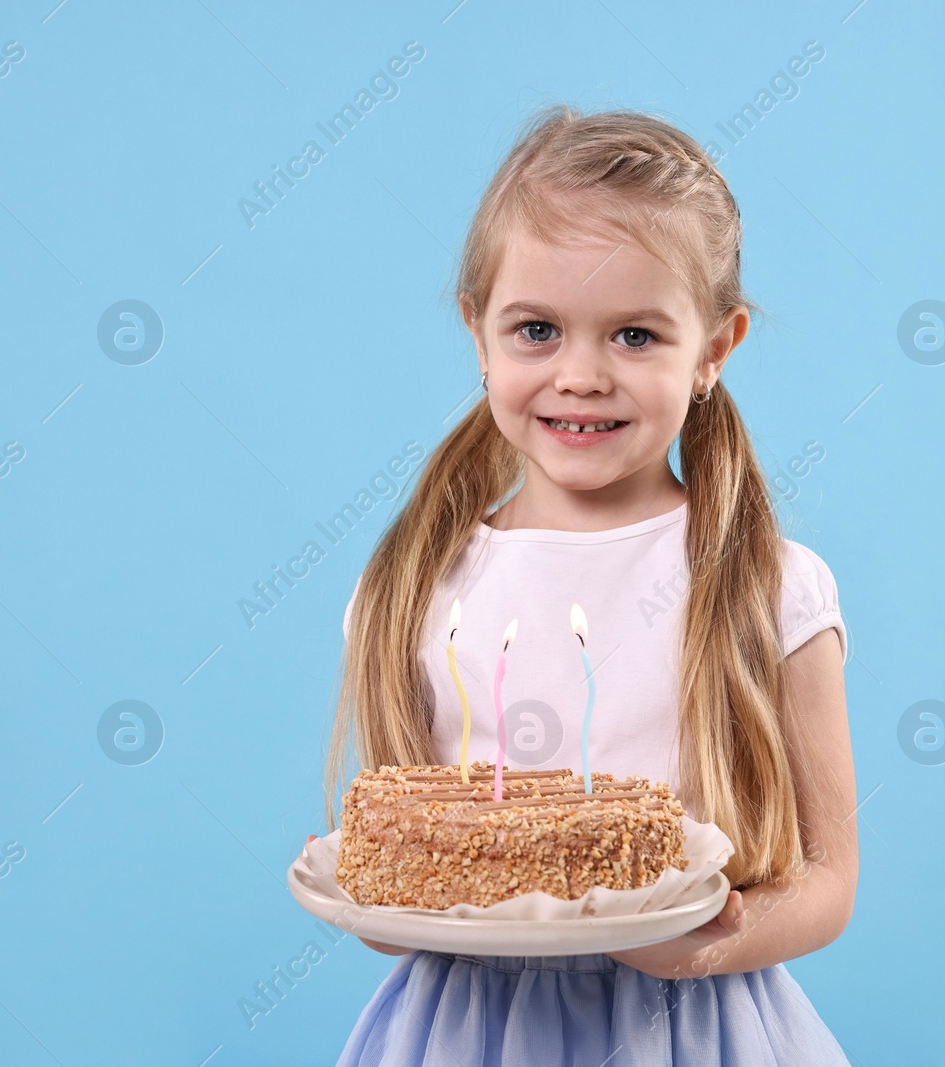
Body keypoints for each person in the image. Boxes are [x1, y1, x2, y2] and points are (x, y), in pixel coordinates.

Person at [310, 104, 858, 1065]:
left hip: (696, 1030)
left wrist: (701, 942)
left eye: (636, 336)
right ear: (479, 335)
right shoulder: (413, 588)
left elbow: (828, 882)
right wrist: (390, 903)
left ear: (714, 351)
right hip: (468, 1032)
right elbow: (386, 895)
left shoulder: (769, 587)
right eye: (537, 329)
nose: (581, 374)